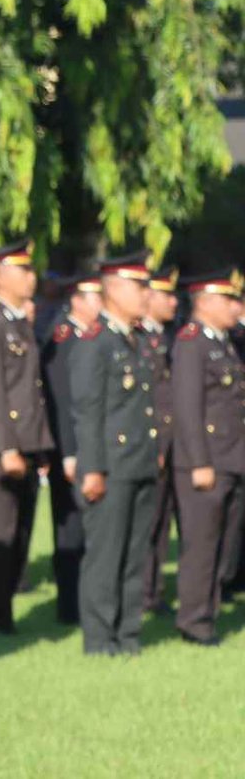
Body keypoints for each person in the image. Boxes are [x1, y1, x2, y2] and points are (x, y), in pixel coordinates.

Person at [71, 252, 159, 656]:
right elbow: (88, 412)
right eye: (139, 287)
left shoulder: (136, 340)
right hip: (109, 466)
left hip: (139, 461)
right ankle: (99, 638)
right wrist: (92, 469)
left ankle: (127, 633)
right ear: (115, 290)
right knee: (106, 555)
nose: (146, 295)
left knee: (134, 554)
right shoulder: (96, 342)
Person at [0, 241, 54, 634]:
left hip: (29, 443)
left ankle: (2, 614)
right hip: (5, 448)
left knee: (20, 535)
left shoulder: (20, 321)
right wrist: (6, 447)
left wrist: (40, 445)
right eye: (23, 270)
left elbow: (31, 389)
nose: (31, 277)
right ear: (0, 276)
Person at [169, 268, 245, 647]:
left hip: (233, 459)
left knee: (225, 548)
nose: (237, 307)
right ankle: (194, 621)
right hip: (207, 463)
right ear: (207, 302)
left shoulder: (225, 343)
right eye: (230, 299)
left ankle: (208, 611)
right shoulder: (191, 343)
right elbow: (187, 408)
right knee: (202, 546)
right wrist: (199, 462)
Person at [41, 275, 101, 624]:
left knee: (91, 530)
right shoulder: (64, 338)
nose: (101, 303)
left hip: (91, 446)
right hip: (71, 449)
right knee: (70, 530)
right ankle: (69, 607)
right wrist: (67, 453)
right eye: (95, 296)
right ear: (76, 300)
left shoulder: (91, 337)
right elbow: (62, 401)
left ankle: (87, 601)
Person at [140, 265, 179, 615]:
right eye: (165, 294)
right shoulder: (138, 338)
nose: (173, 301)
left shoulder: (164, 337)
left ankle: (152, 591)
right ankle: (140, 593)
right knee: (146, 524)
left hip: (169, 443)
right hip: (148, 445)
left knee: (161, 523)